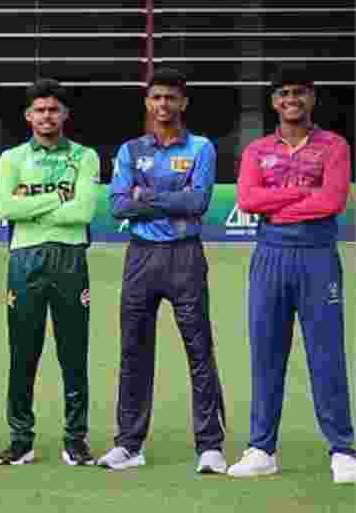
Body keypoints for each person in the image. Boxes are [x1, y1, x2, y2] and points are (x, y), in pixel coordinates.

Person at [228, 64, 355, 484]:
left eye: (300, 92)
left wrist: (278, 206)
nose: (291, 101)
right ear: (273, 102)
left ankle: (342, 449)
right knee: (266, 355)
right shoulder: (256, 150)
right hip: (271, 258)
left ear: (312, 98)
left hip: (317, 257)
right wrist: (303, 193)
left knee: (327, 356)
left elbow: (332, 200)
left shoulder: (334, 146)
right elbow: (247, 198)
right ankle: (262, 448)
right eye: (283, 94)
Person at [98, 67, 228, 473]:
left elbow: (197, 202)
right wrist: (170, 196)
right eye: (156, 98)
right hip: (141, 257)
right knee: (133, 351)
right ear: (147, 102)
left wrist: (146, 194)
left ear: (183, 103)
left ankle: (210, 446)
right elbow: (118, 205)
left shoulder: (201, 148)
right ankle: (129, 445)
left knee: (199, 349)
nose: (163, 105)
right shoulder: (130, 150)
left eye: (171, 98)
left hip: (185, 256)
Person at [0, 78, 100, 466]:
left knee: (74, 352)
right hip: (25, 259)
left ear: (65, 114)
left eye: (53, 109)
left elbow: (84, 212)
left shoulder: (85, 156)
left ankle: (76, 439)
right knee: (23, 352)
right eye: (39, 110)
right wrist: (57, 196)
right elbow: (5, 207)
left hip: (71, 258)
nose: (46, 116)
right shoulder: (12, 159)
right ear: (28, 116)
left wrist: (31, 199)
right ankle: (21, 439)